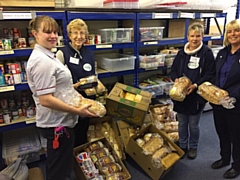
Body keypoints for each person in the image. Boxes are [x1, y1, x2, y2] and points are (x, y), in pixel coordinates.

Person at [26, 15, 96, 180]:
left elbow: (59, 88)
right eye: (47, 32)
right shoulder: (42, 61)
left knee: (61, 165)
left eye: (55, 32)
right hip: (57, 123)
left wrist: (76, 95)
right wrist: (77, 110)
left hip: (61, 120)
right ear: (35, 34)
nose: (52, 36)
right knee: (59, 170)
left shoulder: (48, 55)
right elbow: (46, 99)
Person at [170, 22, 215, 159]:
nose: (194, 39)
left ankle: (193, 147)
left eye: (198, 36)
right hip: (181, 95)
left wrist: (195, 85)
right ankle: (183, 145)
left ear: (202, 37)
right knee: (182, 123)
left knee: (194, 124)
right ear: (187, 36)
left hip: (196, 95)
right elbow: (173, 71)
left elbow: (210, 73)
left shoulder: (206, 53)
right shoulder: (181, 53)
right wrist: (176, 80)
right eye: (192, 36)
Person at [56, 19, 96, 147]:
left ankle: (81, 158)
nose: (79, 37)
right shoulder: (62, 53)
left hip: (88, 100)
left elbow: (93, 74)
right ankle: (72, 160)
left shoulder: (89, 53)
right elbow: (57, 83)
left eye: (82, 33)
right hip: (71, 102)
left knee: (83, 132)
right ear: (69, 35)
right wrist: (73, 87)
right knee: (70, 134)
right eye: (75, 33)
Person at [210, 19, 240, 179]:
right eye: (230, 31)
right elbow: (216, 75)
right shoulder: (222, 53)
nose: (233, 34)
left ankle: (237, 165)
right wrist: (212, 91)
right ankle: (225, 158)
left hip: (235, 104)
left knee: (236, 135)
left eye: (236, 31)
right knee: (222, 132)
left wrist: (232, 96)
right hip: (218, 102)